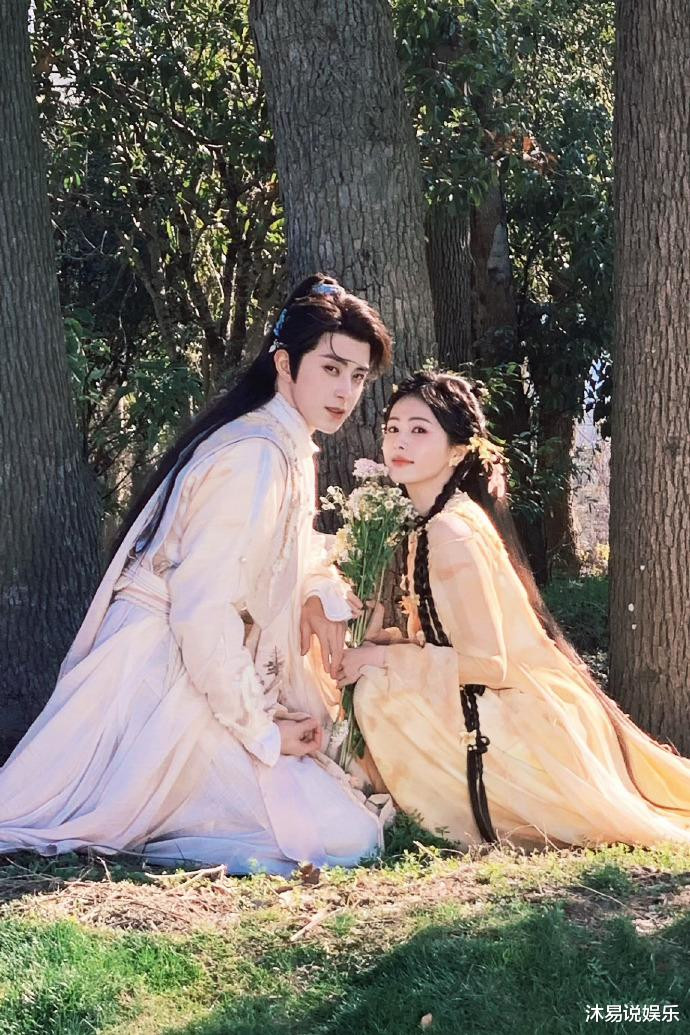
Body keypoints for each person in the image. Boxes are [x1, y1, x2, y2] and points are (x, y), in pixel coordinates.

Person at [0, 274, 392, 876]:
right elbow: (201, 609)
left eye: (358, 376)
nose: (345, 390)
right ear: (284, 364)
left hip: (196, 662)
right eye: (331, 368)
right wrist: (261, 731)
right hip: (162, 676)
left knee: (343, 817)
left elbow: (286, 551)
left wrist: (317, 592)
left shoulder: (284, 443)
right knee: (343, 836)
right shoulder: (254, 453)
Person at [338, 370, 690, 850]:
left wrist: (383, 658)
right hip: (508, 701)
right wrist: (390, 643)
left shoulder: (450, 532)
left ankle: (445, 812)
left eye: (420, 430)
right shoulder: (436, 521)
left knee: (377, 690)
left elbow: (489, 664)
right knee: (373, 674)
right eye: (393, 428)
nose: (399, 442)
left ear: (457, 450)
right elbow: (449, 640)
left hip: (514, 722)